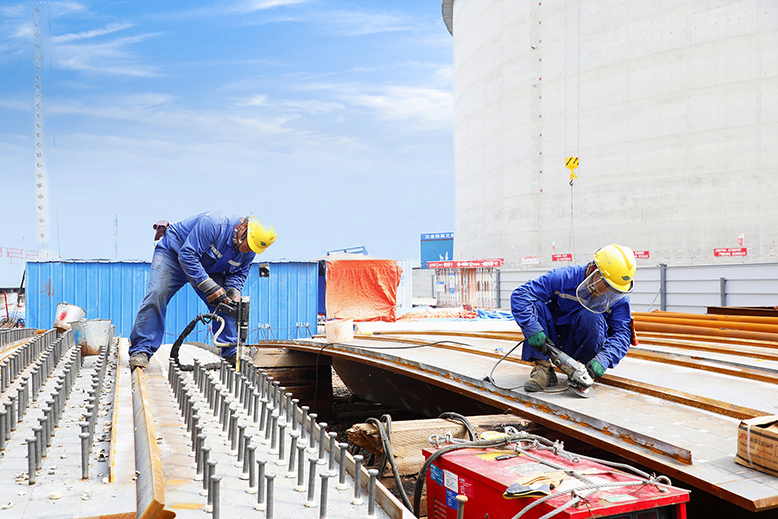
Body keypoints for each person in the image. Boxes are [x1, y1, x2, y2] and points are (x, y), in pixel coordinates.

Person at [128, 211, 277, 369]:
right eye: (248, 244)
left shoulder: (250, 249)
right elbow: (187, 255)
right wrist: (208, 286)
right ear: (244, 228)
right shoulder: (214, 224)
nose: (247, 250)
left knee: (227, 303)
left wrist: (233, 293)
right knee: (157, 293)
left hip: (209, 266)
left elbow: (238, 274)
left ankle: (231, 351)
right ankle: (141, 350)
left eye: (252, 248)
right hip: (175, 254)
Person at [510, 244, 636, 392]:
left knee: (591, 317)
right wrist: (532, 328)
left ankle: (582, 373)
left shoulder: (618, 299)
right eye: (607, 285)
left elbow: (622, 333)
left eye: (615, 290)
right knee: (536, 305)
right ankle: (543, 369)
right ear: (594, 271)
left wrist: (603, 359)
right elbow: (521, 295)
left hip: (584, 344)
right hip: (550, 340)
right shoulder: (563, 278)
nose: (609, 292)